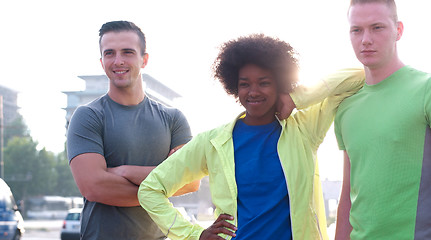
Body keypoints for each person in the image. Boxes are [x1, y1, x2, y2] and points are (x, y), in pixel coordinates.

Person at [138, 33, 365, 240]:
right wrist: (194, 235)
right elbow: (150, 190)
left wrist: (298, 98)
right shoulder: (212, 142)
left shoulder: (303, 130)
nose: (253, 91)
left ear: (279, 84)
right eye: (245, 84)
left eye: (264, 83)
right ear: (235, 89)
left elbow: (359, 76)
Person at [66, 20, 199, 240]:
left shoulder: (173, 119)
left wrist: (124, 171)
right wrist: (162, 184)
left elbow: (190, 181)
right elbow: (94, 187)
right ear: (102, 62)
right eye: (109, 53)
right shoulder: (87, 116)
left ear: (144, 59)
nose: (118, 61)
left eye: (127, 52)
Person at [334, 1, 431, 239]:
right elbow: (348, 194)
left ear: (398, 30)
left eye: (377, 27)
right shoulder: (346, 107)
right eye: (356, 30)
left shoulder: (425, 89)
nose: (365, 39)